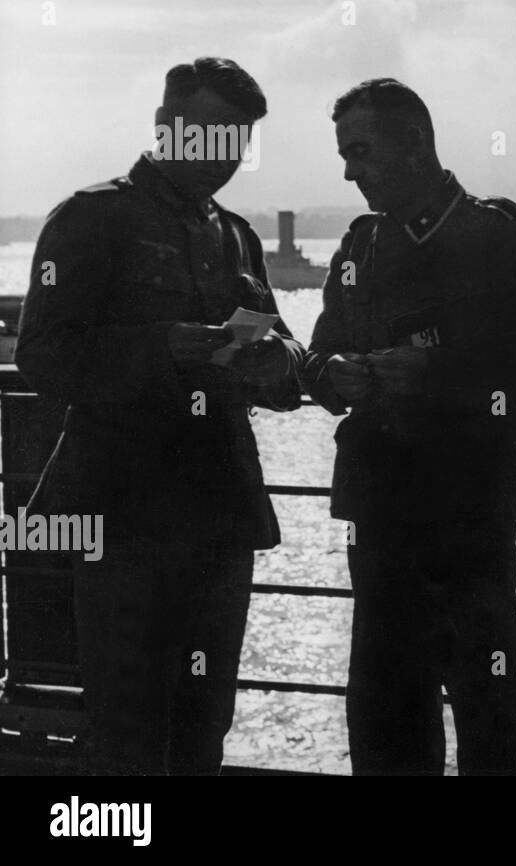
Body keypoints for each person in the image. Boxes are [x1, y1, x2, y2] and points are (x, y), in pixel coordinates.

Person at [16, 57, 302, 775]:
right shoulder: (91, 219)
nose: (224, 157)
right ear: (166, 127)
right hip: (124, 524)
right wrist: (163, 349)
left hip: (217, 520)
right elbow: (43, 356)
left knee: (204, 729)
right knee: (130, 734)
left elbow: (281, 341)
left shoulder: (235, 234)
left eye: (237, 141)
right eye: (210, 136)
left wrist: (279, 365)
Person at [304, 78, 516, 776]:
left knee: (486, 705)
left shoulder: (499, 234)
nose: (349, 170)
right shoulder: (361, 245)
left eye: (360, 151)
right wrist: (334, 374)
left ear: (414, 144)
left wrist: (434, 372)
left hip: (468, 516)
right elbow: (321, 350)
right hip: (379, 516)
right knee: (383, 711)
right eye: (345, 153)